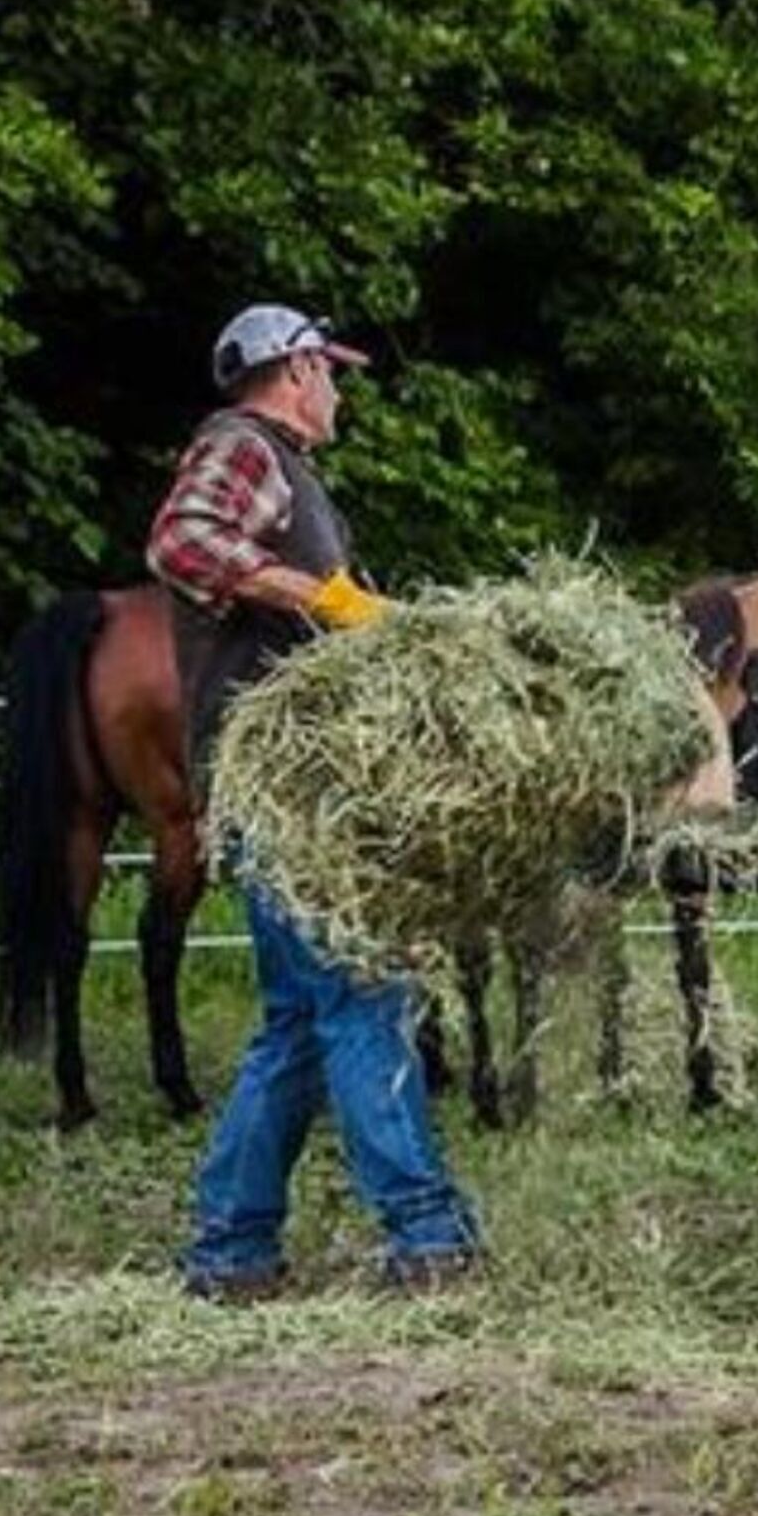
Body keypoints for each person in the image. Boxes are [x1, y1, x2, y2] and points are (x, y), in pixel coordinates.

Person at [149, 304, 480, 1300]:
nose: (337, 390)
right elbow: (182, 542)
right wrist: (319, 596)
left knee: (299, 1021)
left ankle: (232, 1252)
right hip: (286, 788)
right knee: (362, 993)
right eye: (328, 372)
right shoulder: (243, 447)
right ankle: (427, 1237)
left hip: (286, 783)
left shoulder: (286, 468)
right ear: (294, 371)